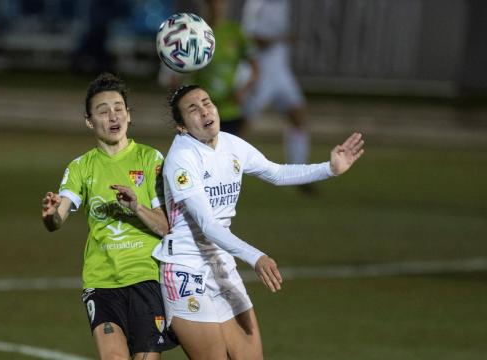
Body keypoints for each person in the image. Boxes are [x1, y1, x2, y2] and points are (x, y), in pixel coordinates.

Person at [152, 84, 364, 359]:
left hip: (221, 263)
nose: (205, 110)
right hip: (186, 268)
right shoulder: (182, 158)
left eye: (207, 102)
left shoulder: (231, 144)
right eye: (193, 109)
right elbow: (208, 225)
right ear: (181, 126)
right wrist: (256, 257)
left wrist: (330, 169)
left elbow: (276, 173)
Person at [41, 73, 177, 359]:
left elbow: (166, 226)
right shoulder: (81, 167)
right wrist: (52, 214)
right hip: (101, 281)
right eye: (103, 111)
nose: (113, 116)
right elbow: (59, 217)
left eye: (118, 108)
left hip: (146, 278)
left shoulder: (150, 159)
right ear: (89, 120)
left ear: (128, 114)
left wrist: (135, 206)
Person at [240, 0, 313, 192]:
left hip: (281, 72)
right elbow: (251, 38)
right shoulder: (257, 5)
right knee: (242, 124)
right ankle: (220, 167)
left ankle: (300, 176)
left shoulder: (282, 4)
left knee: (298, 116)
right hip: (260, 73)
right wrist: (282, 38)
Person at [158, 0, 259, 135]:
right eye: (212, 2)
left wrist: (243, 90)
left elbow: (256, 69)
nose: (216, 6)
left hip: (229, 108)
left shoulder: (235, 32)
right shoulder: (193, 32)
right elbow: (176, 68)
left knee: (230, 154)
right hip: (200, 111)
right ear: (204, 4)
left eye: (220, 3)